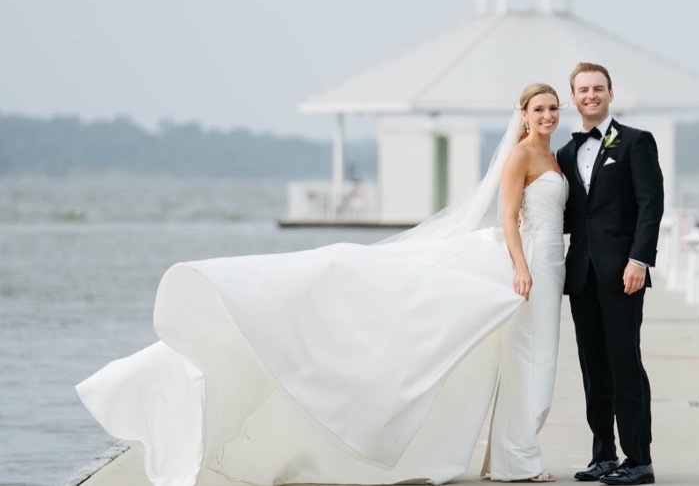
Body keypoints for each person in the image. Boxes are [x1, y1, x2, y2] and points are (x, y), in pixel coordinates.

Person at [76, 83, 568, 486]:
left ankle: (510, 458)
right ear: (523, 114)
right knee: (527, 357)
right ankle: (518, 462)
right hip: (525, 266)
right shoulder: (522, 156)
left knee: (527, 360)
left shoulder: (555, 156)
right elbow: (507, 218)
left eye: (552, 108)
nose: (547, 115)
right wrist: (520, 267)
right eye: (538, 108)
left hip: (550, 265)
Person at [555, 63, 663, 485]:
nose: (591, 95)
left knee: (625, 363)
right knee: (592, 365)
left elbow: (651, 204)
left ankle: (639, 459)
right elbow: (568, 216)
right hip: (581, 275)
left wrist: (640, 260)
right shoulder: (565, 153)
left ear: (610, 93)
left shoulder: (636, 142)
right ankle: (603, 454)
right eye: (583, 90)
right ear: (574, 97)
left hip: (623, 273)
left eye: (598, 88)